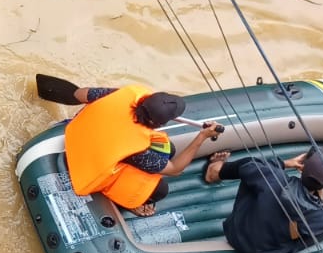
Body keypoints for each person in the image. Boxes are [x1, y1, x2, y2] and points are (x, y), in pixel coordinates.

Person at [63, 84, 223, 216]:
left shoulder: (126, 94)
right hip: (83, 169)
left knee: (169, 150)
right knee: (160, 190)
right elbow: (175, 169)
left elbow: (79, 94)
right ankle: (126, 202)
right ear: (159, 124)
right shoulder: (136, 149)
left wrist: (114, 94)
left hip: (74, 137)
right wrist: (202, 136)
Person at [203, 146, 323, 253]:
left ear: (302, 166)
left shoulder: (265, 173)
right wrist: (318, 194)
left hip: (234, 235)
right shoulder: (319, 216)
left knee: (249, 167)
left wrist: (283, 163)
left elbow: (255, 167)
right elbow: (312, 216)